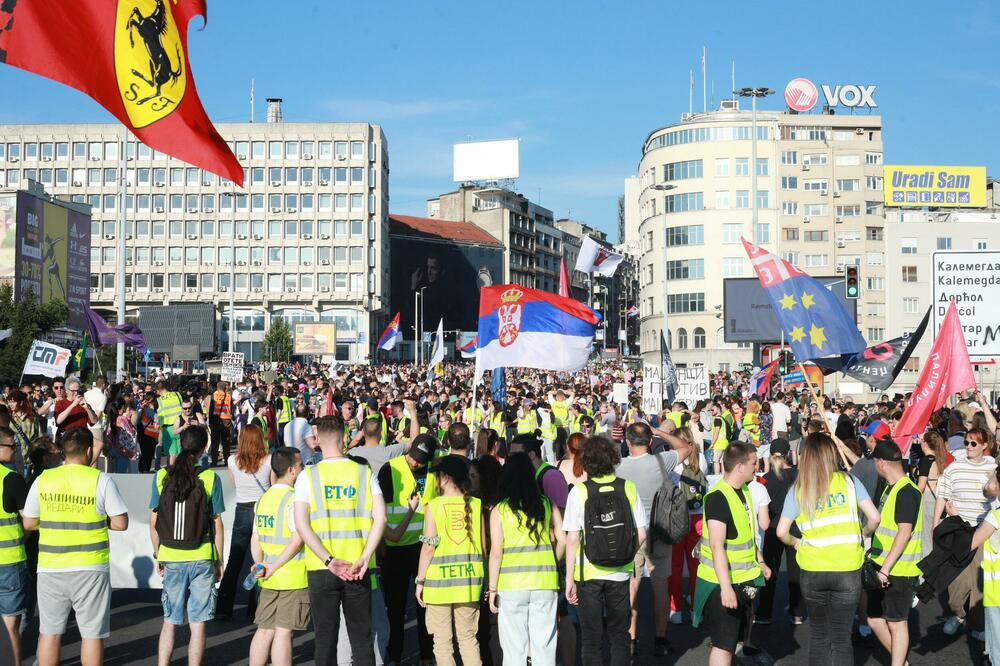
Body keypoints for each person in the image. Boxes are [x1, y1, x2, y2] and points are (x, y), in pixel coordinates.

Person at [23, 427, 129, 666]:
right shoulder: (100, 479)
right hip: (90, 566)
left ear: (62, 453)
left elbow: (29, 522)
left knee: (49, 632)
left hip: (51, 566)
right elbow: (121, 523)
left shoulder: (44, 479)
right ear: (89, 450)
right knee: (91, 635)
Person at [776, 433, 880, 666]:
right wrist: (863, 534)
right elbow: (874, 517)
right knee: (842, 639)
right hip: (847, 567)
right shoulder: (849, 482)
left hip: (813, 568)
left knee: (820, 636)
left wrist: (797, 543)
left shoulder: (799, 489)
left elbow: (781, 532)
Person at [293, 414, 386, 666]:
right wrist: (366, 556)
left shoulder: (307, 476)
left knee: (325, 640)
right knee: (362, 639)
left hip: (322, 567)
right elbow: (381, 518)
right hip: (358, 566)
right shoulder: (363, 473)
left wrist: (328, 559)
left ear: (317, 441)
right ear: (345, 439)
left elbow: (302, 524)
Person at [564, 435, 647, 666]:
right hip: (620, 570)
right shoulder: (628, 488)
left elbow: (572, 539)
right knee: (619, 634)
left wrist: (569, 578)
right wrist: (627, 554)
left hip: (588, 573)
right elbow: (641, 533)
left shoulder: (579, 493)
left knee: (591, 638)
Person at [149, 426, 225, 666]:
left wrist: (159, 554)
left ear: (180, 444)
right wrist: (219, 559)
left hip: (171, 553)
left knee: (170, 619)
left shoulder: (162, 476)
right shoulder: (211, 477)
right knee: (198, 622)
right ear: (204, 448)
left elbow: (153, 522)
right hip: (201, 553)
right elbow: (217, 524)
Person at [692, 441, 770, 666]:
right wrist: (726, 588)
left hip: (742, 579)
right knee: (723, 646)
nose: (757, 467)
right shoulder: (718, 497)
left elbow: (745, 533)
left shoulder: (744, 491)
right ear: (739, 467)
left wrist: (760, 561)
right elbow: (718, 546)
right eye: (754, 463)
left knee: (732, 642)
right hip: (720, 584)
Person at [616, 422, 692, 656]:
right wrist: (659, 431)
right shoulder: (661, 461)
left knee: (632, 586)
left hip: (631, 533)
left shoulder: (618, 465)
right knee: (661, 586)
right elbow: (686, 447)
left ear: (628, 442)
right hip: (658, 531)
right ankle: (660, 639)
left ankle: (631, 640)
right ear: (650, 442)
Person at [488, 452, 565, 666]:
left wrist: (492, 589)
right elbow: (563, 540)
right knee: (544, 646)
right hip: (545, 582)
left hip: (511, 585)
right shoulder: (546, 504)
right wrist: (553, 562)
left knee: (514, 648)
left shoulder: (500, 510)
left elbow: (496, 552)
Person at [415, 455, 485, 666]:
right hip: (469, 582)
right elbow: (483, 546)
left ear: (444, 478)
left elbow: (428, 547)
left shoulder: (434, 506)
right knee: (468, 639)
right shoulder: (476, 504)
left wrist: (420, 581)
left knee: (442, 643)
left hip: (439, 585)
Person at [378, 433, 437, 666]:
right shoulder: (389, 469)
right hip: (395, 549)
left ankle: (426, 655)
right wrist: (381, 544)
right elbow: (379, 511)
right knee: (396, 607)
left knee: (426, 606)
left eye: (422, 460)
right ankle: (394, 655)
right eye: (414, 457)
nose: (416, 463)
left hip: (424, 547)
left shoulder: (434, 470)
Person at [249, 447, 309, 666]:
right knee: (284, 633)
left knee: (264, 630)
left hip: (267, 576)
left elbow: (255, 538)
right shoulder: (294, 500)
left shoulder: (263, 499)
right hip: (292, 577)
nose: (303, 469)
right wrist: (272, 567)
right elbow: (297, 540)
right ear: (292, 470)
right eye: (301, 465)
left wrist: (260, 564)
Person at [935, 426, 996, 638]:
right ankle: (957, 613)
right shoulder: (954, 468)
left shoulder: (993, 466)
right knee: (957, 581)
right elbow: (942, 495)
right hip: (959, 530)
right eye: (967, 442)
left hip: (984, 530)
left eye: (973, 443)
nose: (968, 447)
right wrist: (936, 524)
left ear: (984, 446)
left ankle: (977, 625)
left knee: (978, 583)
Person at [867, 439, 923, 666]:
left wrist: (886, 568)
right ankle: (901, 661)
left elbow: (904, 532)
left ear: (881, 463)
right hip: (881, 565)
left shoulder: (906, 490)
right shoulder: (890, 489)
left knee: (897, 623)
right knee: (874, 619)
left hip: (898, 570)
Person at [217, 424, 272, 621]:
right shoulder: (268, 460)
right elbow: (273, 485)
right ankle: (255, 609)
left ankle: (223, 607)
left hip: (242, 509)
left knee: (235, 560)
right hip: (262, 510)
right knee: (259, 560)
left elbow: (234, 482)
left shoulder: (233, 460)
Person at [755, 439, 804, 626]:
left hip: (773, 526)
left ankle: (764, 613)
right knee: (795, 572)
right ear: (787, 454)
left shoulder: (765, 478)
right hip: (795, 526)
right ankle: (798, 613)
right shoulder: (799, 475)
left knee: (770, 571)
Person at [0, 424, 27, 665]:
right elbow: (28, 521)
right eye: (12, 446)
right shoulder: (11, 479)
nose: (15, 450)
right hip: (8, 560)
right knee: (10, 625)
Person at [156, 380, 184, 465]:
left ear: (159, 389)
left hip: (167, 429)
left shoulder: (159, 400)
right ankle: (181, 471)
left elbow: (159, 417)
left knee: (171, 454)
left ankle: (171, 472)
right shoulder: (177, 395)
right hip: (180, 426)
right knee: (181, 452)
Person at [208, 381, 233, 466]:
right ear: (224, 387)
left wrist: (210, 422)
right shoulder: (229, 396)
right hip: (226, 421)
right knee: (226, 442)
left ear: (217, 387)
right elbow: (232, 408)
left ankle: (214, 461)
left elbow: (211, 409)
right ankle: (227, 461)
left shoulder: (214, 395)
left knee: (215, 442)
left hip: (216, 420)